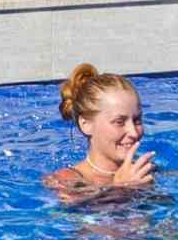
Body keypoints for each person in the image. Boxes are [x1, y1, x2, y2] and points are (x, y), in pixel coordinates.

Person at [49, 62, 157, 199]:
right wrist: (121, 187)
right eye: (119, 122)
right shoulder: (65, 181)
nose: (134, 133)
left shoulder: (146, 171)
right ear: (86, 125)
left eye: (137, 120)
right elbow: (77, 211)